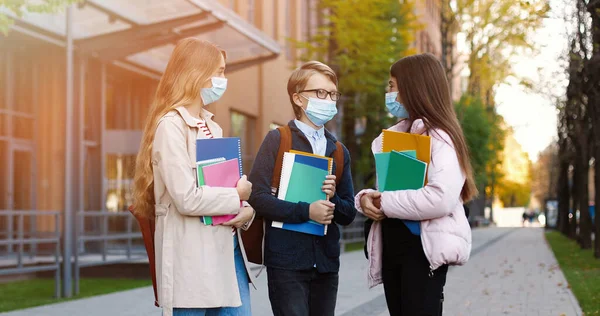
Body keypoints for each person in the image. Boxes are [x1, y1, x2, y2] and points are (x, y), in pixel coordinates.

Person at [132, 38, 256, 316]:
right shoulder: (171, 127)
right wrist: (236, 195)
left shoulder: (213, 126)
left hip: (226, 254)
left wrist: (246, 210)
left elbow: (219, 189)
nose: (224, 79)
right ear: (195, 73)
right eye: (220, 71)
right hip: (191, 260)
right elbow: (187, 198)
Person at [355, 53, 476, 316]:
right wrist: (366, 199)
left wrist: (384, 203)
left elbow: (440, 198)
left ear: (412, 87)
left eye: (391, 85)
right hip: (393, 246)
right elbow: (386, 191)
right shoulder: (395, 136)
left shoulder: (441, 138)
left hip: (422, 251)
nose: (388, 92)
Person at [248, 61, 357, 316]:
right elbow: (257, 196)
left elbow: (348, 213)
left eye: (332, 94)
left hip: (326, 266)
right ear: (298, 98)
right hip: (287, 264)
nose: (328, 100)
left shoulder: (339, 151)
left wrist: (333, 199)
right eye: (320, 93)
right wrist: (307, 211)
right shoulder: (278, 139)